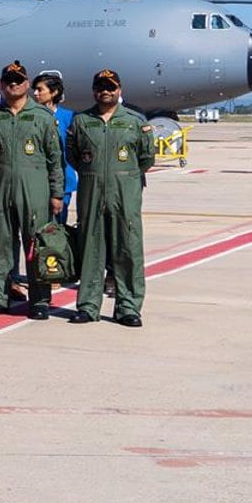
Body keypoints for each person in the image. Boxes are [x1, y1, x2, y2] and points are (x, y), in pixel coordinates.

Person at [0, 63, 64, 318]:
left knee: (36, 245)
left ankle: (39, 300)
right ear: (2, 85)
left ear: (27, 84)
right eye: (9, 80)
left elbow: (54, 159)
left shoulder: (43, 117)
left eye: (18, 80)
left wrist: (56, 194)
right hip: (0, 187)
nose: (13, 84)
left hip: (35, 190)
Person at [68, 69, 153, 327]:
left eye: (110, 86)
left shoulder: (135, 121)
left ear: (119, 89)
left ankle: (128, 307)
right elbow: (73, 156)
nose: (105, 90)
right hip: (92, 194)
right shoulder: (82, 121)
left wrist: (124, 179)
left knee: (128, 250)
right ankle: (88, 305)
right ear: (94, 90)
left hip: (124, 196)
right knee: (91, 250)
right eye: (100, 86)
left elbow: (146, 158)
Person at [31, 73, 76, 221]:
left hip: (63, 180)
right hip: (37, 180)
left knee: (57, 227)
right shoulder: (31, 116)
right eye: (34, 90)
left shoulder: (69, 117)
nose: (35, 94)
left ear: (54, 92)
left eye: (40, 90)